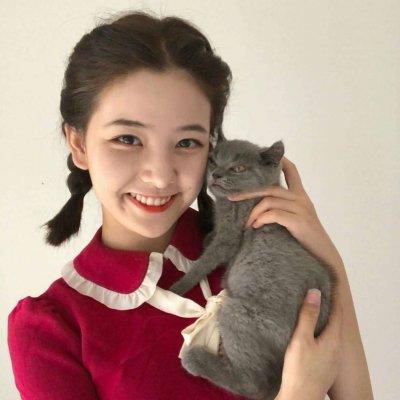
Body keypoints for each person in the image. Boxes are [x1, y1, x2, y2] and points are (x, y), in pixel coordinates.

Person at [7, 9, 374, 400]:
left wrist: (324, 253)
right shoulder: (52, 330)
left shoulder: (266, 251)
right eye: (128, 139)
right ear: (79, 144)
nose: (160, 175)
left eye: (186, 143)